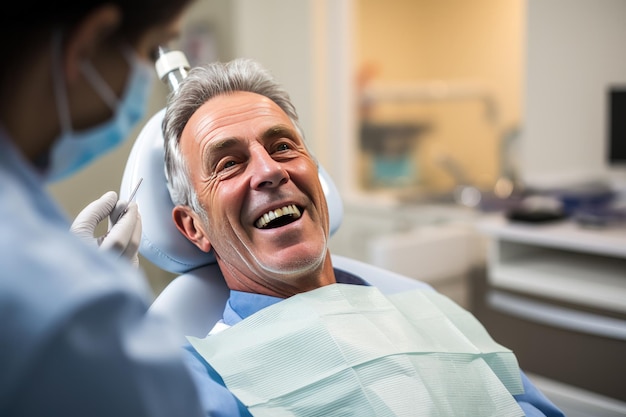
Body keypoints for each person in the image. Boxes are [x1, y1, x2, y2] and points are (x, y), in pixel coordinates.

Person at [162, 58, 565, 416]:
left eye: (283, 146)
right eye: (229, 163)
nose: (269, 171)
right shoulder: (202, 380)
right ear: (194, 227)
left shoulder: (429, 310)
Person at [0, 2, 208, 416]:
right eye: (154, 49)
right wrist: (92, 301)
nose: (269, 172)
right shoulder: (70, 311)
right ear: (89, 41)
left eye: (283, 147)